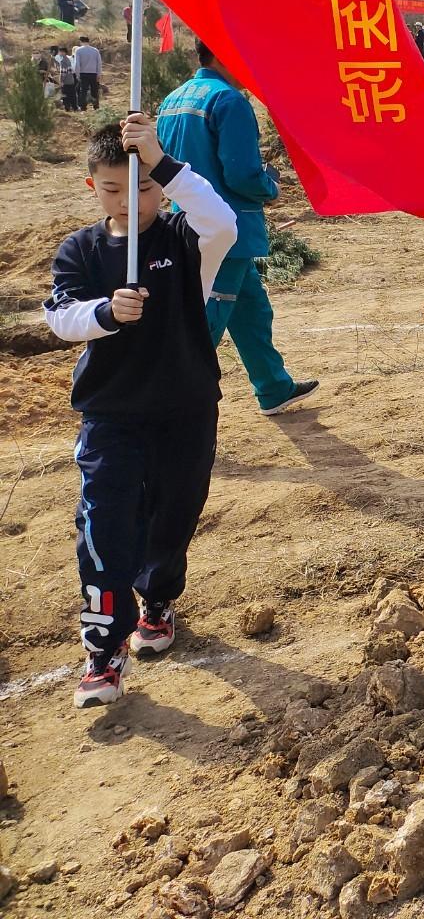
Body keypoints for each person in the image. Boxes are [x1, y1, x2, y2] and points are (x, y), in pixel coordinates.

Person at [44, 115, 237, 706]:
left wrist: (161, 160)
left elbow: (222, 222)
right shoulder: (80, 249)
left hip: (185, 408)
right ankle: (104, 651)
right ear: (90, 187)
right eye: (112, 189)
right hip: (112, 413)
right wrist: (105, 313)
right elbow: (58, 317)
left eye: (145, 185)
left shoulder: (186, 240)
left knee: (174, 513)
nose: (131, 200)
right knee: (103, 523)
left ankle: (157, 598)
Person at [156, 42, 319, 416]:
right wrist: (270, 185)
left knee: (251, 310)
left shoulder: (173, 100)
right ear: (222, 54)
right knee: (209, 319)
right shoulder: (228, 101)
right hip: (227, 227)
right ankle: (164, 400)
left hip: (189, 222)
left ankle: (274, 387)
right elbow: (242, 173)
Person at [72, 34, 102, 110]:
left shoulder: (78, 50)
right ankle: (96, 106)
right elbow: (99, 63)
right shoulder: (95, 50)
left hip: (83, 73)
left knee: (83, 90)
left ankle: (83, 107)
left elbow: (77, 64)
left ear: (81, 42)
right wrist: (98, 74)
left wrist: (77, 74)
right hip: (93, 73)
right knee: (94, 90)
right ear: (88, 41)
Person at [53, 44, 77, 111]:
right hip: (71, 80)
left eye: (60, 52)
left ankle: (67, 108)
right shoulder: (68, 59)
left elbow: (63, 73)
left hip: (66, 81)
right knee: (72, 95)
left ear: (64, 52)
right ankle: (75, 107)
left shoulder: (63, 61)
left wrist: (61, 81)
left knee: (65, 95)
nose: (59, 53)